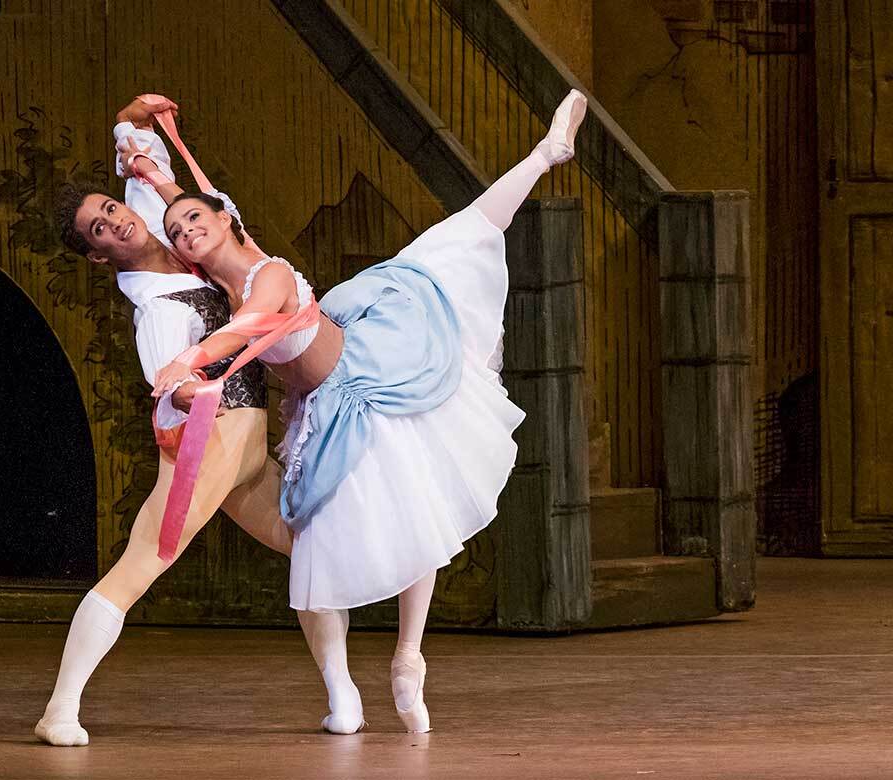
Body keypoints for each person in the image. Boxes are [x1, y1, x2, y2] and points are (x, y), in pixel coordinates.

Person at [150, 90, 589, 733]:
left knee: (456, 239)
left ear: (226, 218)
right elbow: (186, 220)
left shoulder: (264, 274)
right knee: (315, 559)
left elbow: (245, 328)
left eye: (196, 219)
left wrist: (189, 363)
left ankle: (408, 657)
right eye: (178, 229)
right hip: (319, 408)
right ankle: (341, 692)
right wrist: (149, 160)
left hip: (367, 369)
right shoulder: (215, 277)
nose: (186, 229)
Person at [35, 97, 361, 747]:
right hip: (206, 450)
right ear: (98, 257)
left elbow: (137, 141)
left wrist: (131, 116)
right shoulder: (157, 308)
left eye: (110, 209)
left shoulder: (154, 211)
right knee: (142, 564)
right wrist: (185, 390)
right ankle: (58, 710)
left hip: (244, 453)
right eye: (100, 230)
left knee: (316, 550)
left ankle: (342, 695)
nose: (115, 222)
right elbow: (172, 379)